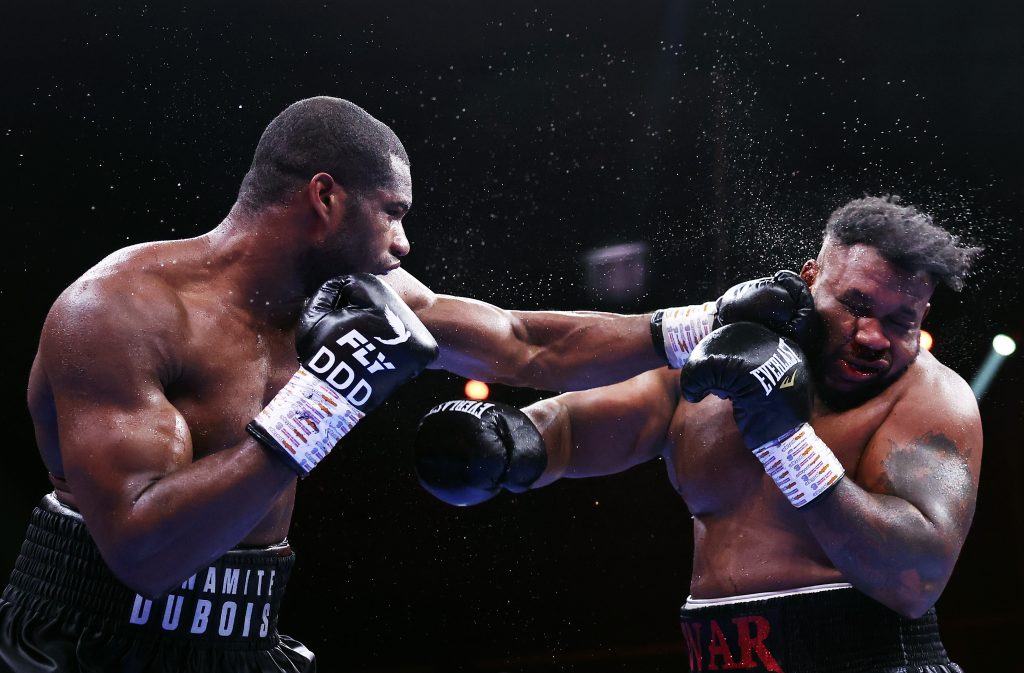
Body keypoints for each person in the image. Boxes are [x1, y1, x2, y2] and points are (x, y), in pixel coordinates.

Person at [0, 96, 813, 673]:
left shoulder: (357, 297)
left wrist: (698, 320)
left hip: (243, 635)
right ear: (325, 197)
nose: (402, 242)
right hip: (87, 638)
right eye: (391, 212)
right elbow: (144, 551)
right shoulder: (121, 310)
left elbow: (527, 345)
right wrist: (328, 396)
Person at [415, 195, 984, 673]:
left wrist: (786, 442)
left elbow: (917, 580)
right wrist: (513, 442)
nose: (873, 336)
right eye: (856, 305)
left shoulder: (929, 397)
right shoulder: (715, 365)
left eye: (900, 321)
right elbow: (572, 428)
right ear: (810, 280)